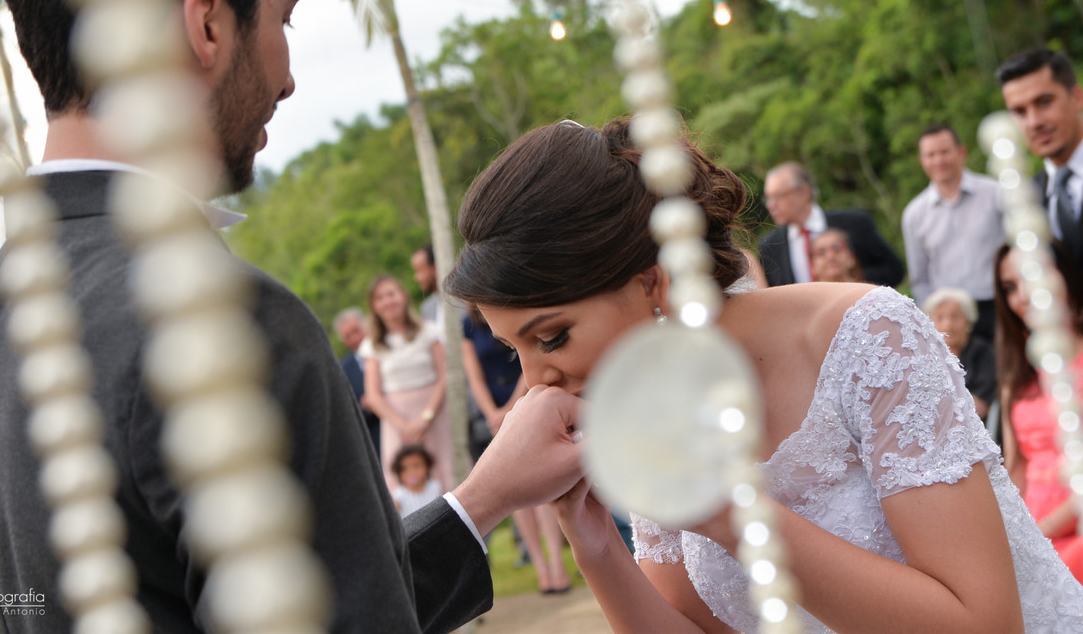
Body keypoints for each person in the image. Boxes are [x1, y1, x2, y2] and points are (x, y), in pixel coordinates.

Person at [0, 0, 588, 633]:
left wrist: (483, 501)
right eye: (283, 16)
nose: (288, 76)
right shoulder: (230, 331)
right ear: (206, 22)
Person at [444, 118, 1083, 633]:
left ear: (651, 283)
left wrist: (727, 513)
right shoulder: (647, 411)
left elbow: (984, 623)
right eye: (513, 351)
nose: (537, 384)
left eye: (552, 338)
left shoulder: (867, 337)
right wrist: (594, 542)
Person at [462, 306, 570, 594]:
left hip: (527, 395)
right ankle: (541, 568)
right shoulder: (466, 325)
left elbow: (529, 354)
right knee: (512, 488)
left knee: (541, 482)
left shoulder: (510, 306)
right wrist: (493, 414)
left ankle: (557, 565)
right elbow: (474, 376)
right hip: (493, 412)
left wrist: (513, 408)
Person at [994, 241, 1083, 582]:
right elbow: (1015, 468)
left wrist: (1039, 535)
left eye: (1031, 276)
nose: (1022, 296)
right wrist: (1012, 535)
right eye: (1009, 287)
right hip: (1034, 523)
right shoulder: (1016, 377)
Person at [902, 124, 1005, 343]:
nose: (938, 161)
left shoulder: (995, 193)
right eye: (930, 155)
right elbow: (919, 279)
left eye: (944, 152)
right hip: (950, 321)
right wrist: (932, 323)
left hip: (998, 307)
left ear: (961, 152)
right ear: (922, 160)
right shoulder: (915, 214)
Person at [361, 275, 453, 494]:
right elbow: (373, 394)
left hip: (433, 414)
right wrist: (403, 426)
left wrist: (426, 418)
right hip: (396, 421)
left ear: (403, 296)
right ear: (374, 306)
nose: (388, 301)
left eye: (391, 294)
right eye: (380, 297)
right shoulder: (372, 345)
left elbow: (445, 375)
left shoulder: (428, 332)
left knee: (445, 471)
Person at [757, 161, 905, 288]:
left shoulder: (855, 223)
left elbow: (894, 270)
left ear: (804, 193)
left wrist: (849, 280)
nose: (770, 205)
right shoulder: (769, 246)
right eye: (768, 198)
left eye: (778, 196)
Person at [998, 48, 1083, 268]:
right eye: (1019, 112)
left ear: (1077, 98)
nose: (1033, 122)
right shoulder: (1027, 198)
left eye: (1044, 102)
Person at [923, 287, 996, 420]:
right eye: (939, 317)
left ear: (968, 321)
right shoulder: (924, 355)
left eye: (955, 317)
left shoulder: (983, 353)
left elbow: (980, 405)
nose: (947, 324)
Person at [334, 307, 381, 454]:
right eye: (347, 336)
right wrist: (366, 407)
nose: (355, 338)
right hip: (377, 441)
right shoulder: (343, 370)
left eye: (356, 331)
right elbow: (346, 415)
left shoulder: (387, 350)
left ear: (366, 326)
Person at [392, 445, 444, 519]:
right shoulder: (398, 496)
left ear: (427, 466)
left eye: (416, 466)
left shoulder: (435, 487)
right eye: (404, 469)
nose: (411, 472)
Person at [412, 244, 440, 323]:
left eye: (419, 270)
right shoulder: (426, 308)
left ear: (435, 268)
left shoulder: (465, 302)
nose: (416, 278)